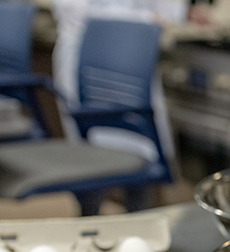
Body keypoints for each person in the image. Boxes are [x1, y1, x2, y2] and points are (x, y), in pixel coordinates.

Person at [51, 0, 201, 210]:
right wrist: (144, 18)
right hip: (87, 56)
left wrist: (185, 12)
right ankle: (91, 216)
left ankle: (140, 222)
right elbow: (75, 10)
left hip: (134, 55)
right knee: (94, 158)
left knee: (141, 152)